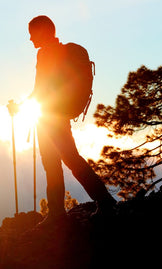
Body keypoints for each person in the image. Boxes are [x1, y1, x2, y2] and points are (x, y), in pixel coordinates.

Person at [25, 15, 116, 225]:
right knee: (67, 159)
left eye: (32, 34)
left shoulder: (45, 53)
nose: (30, 39)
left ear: (44, 31)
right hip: (59, 114)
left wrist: (22, 105)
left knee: (60, 162)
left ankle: (69, 210)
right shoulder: (62, 51)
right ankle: (97, 202)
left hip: (49, 117)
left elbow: (40, 88)